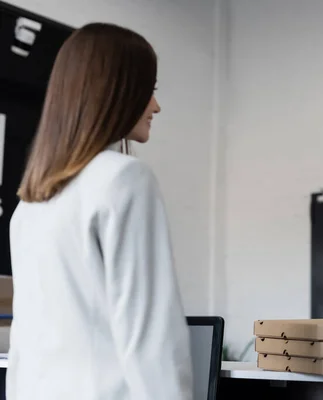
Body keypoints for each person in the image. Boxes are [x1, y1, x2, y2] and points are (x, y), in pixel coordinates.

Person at [7, 23, 193, 399]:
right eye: (150, 91)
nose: (156, 105)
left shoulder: (29, 205)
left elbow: (22, 350)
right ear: (117, 91)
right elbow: (151, 340)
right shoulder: (124, 178)